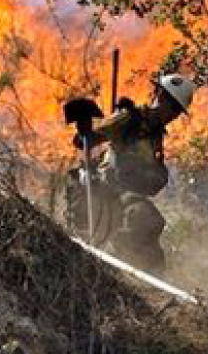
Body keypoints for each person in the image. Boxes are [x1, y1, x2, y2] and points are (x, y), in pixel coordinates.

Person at [66, 73, 196, 274]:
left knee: (153, 242)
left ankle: (144, 277)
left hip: (128, 194)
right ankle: (113, 259)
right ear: (159, 95)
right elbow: (86, 140)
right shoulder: (130, 118)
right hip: (107, 187)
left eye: (178, 112)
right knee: (145, 216)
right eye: (172, 107)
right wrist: (86, 129)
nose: (173, 115)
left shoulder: (156, 136)